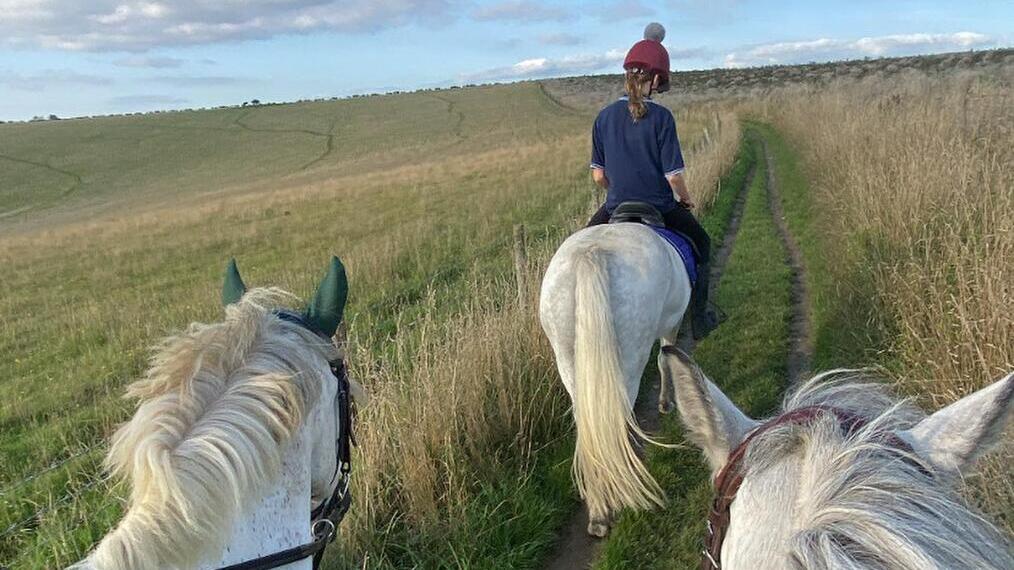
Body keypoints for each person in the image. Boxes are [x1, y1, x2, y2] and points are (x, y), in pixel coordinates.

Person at [587, 23, 720, 339]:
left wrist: (617, 190)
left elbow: (598, 176)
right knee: (703, 243)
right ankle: (699, 320)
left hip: (616, 205)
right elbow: (673, 176)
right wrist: (685, 200)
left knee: (579, 246)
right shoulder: (662, 118)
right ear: (657, 79)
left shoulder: (603, 117)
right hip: (659, 205)